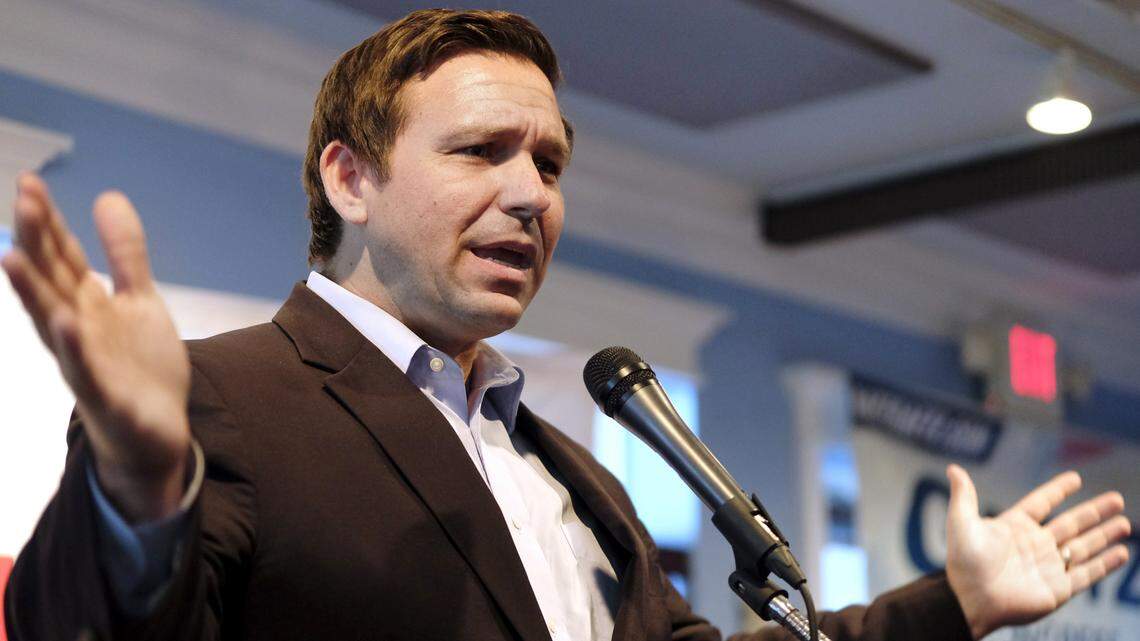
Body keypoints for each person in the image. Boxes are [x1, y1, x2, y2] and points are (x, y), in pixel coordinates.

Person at [1, 8, 1131, 641]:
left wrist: (955, 603)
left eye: (549, 160)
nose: (534, 192)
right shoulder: (221, 400)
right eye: (481, 151)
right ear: (349, 179)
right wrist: (139, 487)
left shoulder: (573, 472)